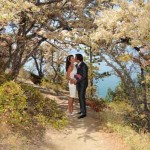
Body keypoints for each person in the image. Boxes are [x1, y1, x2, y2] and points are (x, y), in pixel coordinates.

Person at [74, 54, 88, 119]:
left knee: (82, 97)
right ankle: (81, 110)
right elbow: (76, 74)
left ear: (78, 59)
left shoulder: (84, 66)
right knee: (79, 97)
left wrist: (77, 81)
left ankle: (84, 113)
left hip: (83, 84)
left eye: (75, 57)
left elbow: (84, 76)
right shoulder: (76, 65)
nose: (74, 58)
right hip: (78, 83)